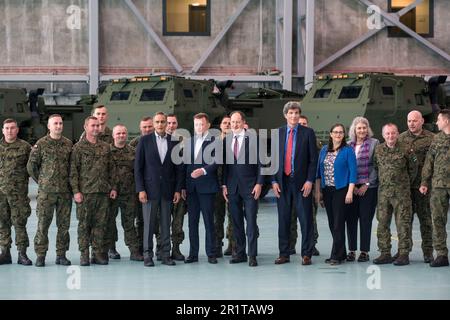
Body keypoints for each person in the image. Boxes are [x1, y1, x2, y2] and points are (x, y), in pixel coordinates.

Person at [271, 101, 318, 266]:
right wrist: (273, 180)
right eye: (291, 113)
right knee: (283, 220)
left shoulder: (308, 133)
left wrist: (310, 180)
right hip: (282, 184)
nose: (294, 116)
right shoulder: (277, 133)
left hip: (301, 184)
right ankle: (284, 253)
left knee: (305, 219)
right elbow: (273, 160)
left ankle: (307, 254)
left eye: (296, 113)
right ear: (285, 115)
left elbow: (313, 160)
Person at [134, 112, 183, 267]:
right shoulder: (144, 141)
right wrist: (140, 189)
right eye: (158, 122)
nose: (161, 124)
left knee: (165, 223)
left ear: (167, 124)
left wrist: (177, 189)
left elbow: (179, 169)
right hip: (149, 190)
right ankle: (148, 255)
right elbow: (138, 168)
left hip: (167, 190)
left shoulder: (174, 142)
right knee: (148, 224)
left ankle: (165, 254)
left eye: (163, 122)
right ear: (154, 124)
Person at [70, 116, 117, 266]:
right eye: (93, 126)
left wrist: (113, 187)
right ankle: (84, 254)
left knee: (100, 224)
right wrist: (76, 191)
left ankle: (97, 253)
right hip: (85, 193)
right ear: (86, 127)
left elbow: (112, 169)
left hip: (102, 192)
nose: (96, 128)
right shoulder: (78, 148)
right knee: (84, 225)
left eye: (98, 126)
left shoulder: (105, 147)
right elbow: (73, 172)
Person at [27, 114, 73, 267]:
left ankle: (61, 254)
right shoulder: (41, 144)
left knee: (64, 225)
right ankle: (41, 255)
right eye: (55, 124)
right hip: (46, 193)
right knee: (43, 225)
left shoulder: (68, 144)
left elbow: (72, 167)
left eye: (60, 123)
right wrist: (42, 181)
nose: (58, 126)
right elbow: (31, 166)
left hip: (64, 192)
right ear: (49, 126)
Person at [222, 111, 264, 267]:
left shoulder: (254, 139)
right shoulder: (227, 140)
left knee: (251, 222)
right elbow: (225, 166)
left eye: (237, 122)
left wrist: (259, 183)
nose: (234, 125)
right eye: (232, 122)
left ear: (243, 122)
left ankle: (252, 255)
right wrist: (224, 185)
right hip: (232, 188)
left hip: (251, 187)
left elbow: (261, 164)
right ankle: (240, 253)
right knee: (236, 222)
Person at [373, 123, 417, 266]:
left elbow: (413, 169)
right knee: (382, 223)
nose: (390, 136)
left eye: (393, 133)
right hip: (384, 193)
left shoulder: (406, 149)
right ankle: (385, 253)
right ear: (383, 135)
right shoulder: (378, 149)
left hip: (401, 193)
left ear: (397, 134)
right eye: (387, 134)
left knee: (403, 223)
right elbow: (375, 166)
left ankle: (403, 254)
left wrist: (403, 183)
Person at [316, 124, 356, 265]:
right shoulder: (324, 150)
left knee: (338, 223)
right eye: (335, 132)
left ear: (343, 135)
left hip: (341, 190)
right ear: (331, 134)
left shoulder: (348, 151)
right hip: (327, 190)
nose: (338, 135)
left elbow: (353, 172)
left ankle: (335, 256)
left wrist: (350, 191)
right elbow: (319, 172)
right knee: (332, 223)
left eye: (341, 132)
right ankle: (342, 253)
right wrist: (319, 191)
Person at [183, 113, 220, 264]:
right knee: (192, 222)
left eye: (202, 124)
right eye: (196, 124)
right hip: (191, 189)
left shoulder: (215, 142)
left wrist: (203, 171)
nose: (199, 127)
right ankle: (193, 254)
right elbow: (185, 166)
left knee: (209, 221)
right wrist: (183, 186)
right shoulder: (189, 142)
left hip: (207, 188)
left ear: (208, 125)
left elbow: (217, 162)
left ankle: (211, 253)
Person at [398, 111, 434, 263]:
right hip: (406, 188)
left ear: (422, 121)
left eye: (414, 121)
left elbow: (433, 163)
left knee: (425, 220)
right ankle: (404, 252)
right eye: (409, 121)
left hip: (423, 187)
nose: (411, 123)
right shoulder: (401, 138)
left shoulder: (432, 138)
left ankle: (428, 252)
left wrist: (426, 182)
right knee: (404, 220)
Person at [105, 124, 143, 261]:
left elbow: (138, 173)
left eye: (123, 133)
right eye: (118, 133)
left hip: (129, 194)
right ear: (113, 135)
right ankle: (111, 249)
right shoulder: (106, 151)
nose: (121, 135)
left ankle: (134, 251)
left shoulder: (133, 152)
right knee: (109, 222)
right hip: (111, 194)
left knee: (129, 223)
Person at [420, 109, 450, 267]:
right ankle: (441, 255)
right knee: (437, 219)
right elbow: (429, 162)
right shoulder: (437, 139)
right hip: (438, 186)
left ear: (446, 121)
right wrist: (424, 182)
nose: (436, 122)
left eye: (438, 120)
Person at [0, 119, 33, 266]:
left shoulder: (25, 147)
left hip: (18, 194)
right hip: (1, 194)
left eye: (12, 128)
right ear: (3, 130)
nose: (9, 131)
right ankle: (5, 253)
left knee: (20, 223)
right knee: (2, 224)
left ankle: (22, 254)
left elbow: (33, 168)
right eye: (7, 128)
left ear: (17, 130)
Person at [346, 117, 379, 262]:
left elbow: (376, 165)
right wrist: (351, 186)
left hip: (368, 188)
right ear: (354, 130)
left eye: (364, 127)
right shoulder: (347, 145)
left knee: (366, 220)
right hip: (351, 188)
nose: (362, 130)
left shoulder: (374, 143)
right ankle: (352, 250)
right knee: (351, 220)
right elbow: (345, 167)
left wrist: (367, 184)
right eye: (359, 128)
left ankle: (364, 251)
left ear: (368, 129)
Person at [289, 115, 321, 257]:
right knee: (291, 218)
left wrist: (317, 189)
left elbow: (316, 166)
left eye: (304, 123)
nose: (302, 125)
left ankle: (311, 245)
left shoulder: (314, 141)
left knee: (310, 219)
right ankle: (291, 245)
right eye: (300, 123)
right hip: (293, 185)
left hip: (309, 186)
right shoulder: (289, 139)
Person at [129, 116, 154, 255]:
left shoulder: (159, 141)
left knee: (156, 221)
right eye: (144, 127)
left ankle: (160, 248)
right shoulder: (134, 144)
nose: (147, 129)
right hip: (139, 188)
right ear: (140, 128)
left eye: (149, 126)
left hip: (155, 186)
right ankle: (140, 248)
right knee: (141, 219)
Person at [166, 114, 187, 261]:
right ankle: (163, 248)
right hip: (164, 188)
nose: (171, 125)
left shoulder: (182, 142)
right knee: (163, 221)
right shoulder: (159, 141)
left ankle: (176, 248)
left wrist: (181, 188)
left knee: (178, 221)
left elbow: (184, 168)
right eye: (169, 122)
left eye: (174, 123)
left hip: (178, 188)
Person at [214, 115, 234, 258]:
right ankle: (217, 244)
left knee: (233, 215)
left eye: (229, 123)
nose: (227, 125)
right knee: (217, 216)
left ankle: (232, 244)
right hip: (216, 184)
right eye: (224, 123)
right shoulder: (214, 142)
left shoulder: (237, 141)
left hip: (232, 184)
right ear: (220, 126)